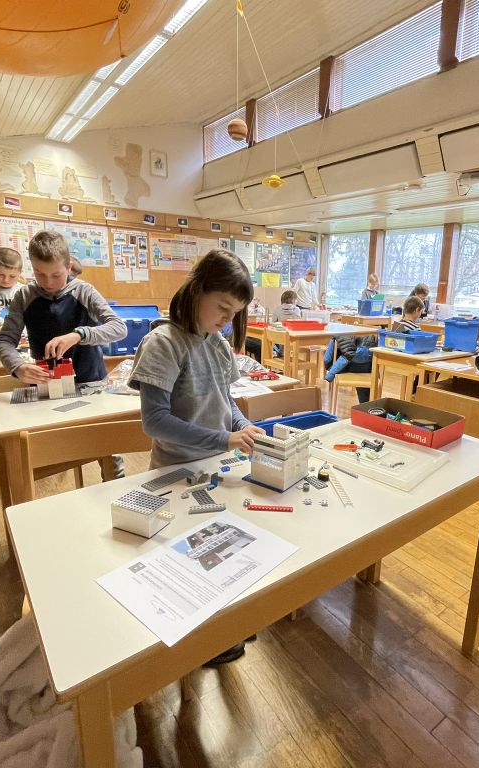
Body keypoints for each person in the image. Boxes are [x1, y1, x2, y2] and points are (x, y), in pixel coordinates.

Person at [129, 249, 264, 665]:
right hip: (175, 471)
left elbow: (226, 401)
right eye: (222, 307)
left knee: (222, 550)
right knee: (188, 559)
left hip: (215, 465)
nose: (227, 319)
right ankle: (199, 641)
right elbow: (155, 422)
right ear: (197, 290)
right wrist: (226, 438)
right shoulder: (164, 342)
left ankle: (222, 625)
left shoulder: (217, 342)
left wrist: (243, 426)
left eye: (235, 312)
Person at [0, 231, 124, 386]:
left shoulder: (84, 291)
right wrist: (17, 366)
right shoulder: (25, 296)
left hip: (90, 381)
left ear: (69, 267)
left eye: (56, 275)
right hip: (46, 384)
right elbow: (4, 340)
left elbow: (119, 328)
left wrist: (79, 335)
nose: (48, 282)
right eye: (39, 274)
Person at [270, 289, 301, 358]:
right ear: (293, 300)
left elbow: (273, 323)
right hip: (294, 338)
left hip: (280, 338)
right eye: (296, 299)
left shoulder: (277, 309)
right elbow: (299, 323)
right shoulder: (297, 310)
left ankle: (279, 352)